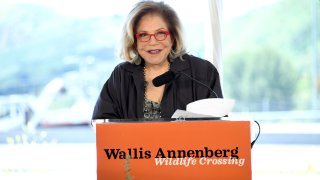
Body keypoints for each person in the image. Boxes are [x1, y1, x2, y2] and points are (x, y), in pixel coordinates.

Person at [92, 0, 223, 120]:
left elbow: (217, 127)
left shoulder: (202, 72)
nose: (152, 42)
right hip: (135, 147)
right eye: (143, 35)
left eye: (160, 33)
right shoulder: (121, 75)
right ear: (133, 41)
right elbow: (102, 123)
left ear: (173, 36)